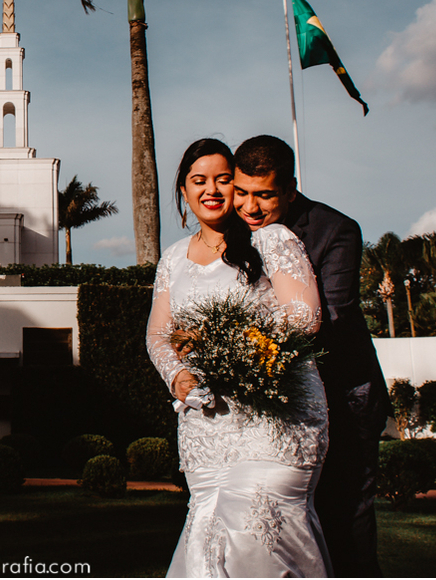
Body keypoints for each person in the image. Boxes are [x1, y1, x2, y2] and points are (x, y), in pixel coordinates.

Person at [147, 138, 330, 577]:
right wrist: (177, 376)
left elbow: (305, 318)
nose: (211, 189)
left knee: (255, 532)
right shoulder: (172, 259)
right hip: (206, 430)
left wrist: (220, 343)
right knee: (206, 541)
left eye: (223, 179)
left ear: (239, 187)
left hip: (275, 420)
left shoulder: (269, 238)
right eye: (198, 180)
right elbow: (158, 335)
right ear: (184, 191)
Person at [233, 134, 388, 578]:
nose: (250, 207)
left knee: (346, 515)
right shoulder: (233, 229)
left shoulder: (335, 230)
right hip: (269, 403)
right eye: (241, 192)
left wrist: (254, 355)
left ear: (290, 188)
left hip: (344, 396)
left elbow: (332, 316)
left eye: (264, 195)